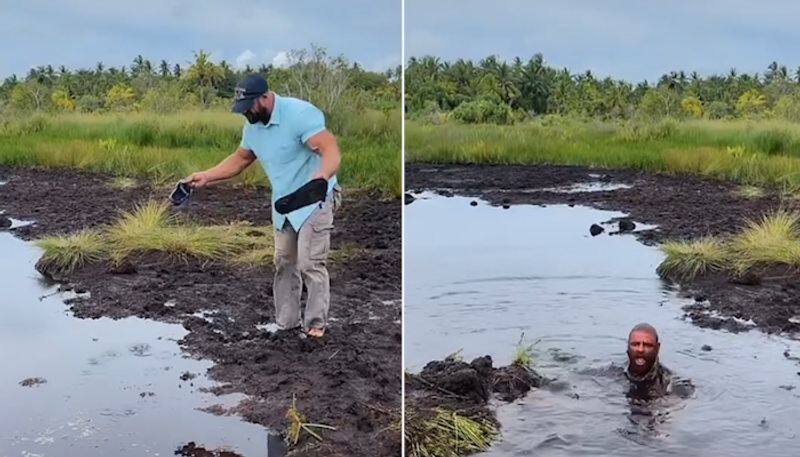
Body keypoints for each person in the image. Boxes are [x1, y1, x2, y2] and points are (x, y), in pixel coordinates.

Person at [183, 74, 341, 338]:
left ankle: (315, 325)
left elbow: (331, 149)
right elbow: (240, 159)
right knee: (284, 262)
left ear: (264, 98)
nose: (245, 113)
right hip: (284, 203)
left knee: (309, 262)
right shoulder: (252, 127)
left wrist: (322, 175)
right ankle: (286, 323)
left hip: (315, 196)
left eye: (248, 106)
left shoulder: (300, 114)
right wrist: (206, 176)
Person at [626, 323, 692, 400]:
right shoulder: (613, 374)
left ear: (657, 348)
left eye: (647, 345)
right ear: (628, 346)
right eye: (635, 344)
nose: (640, 350)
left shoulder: (673, 384)